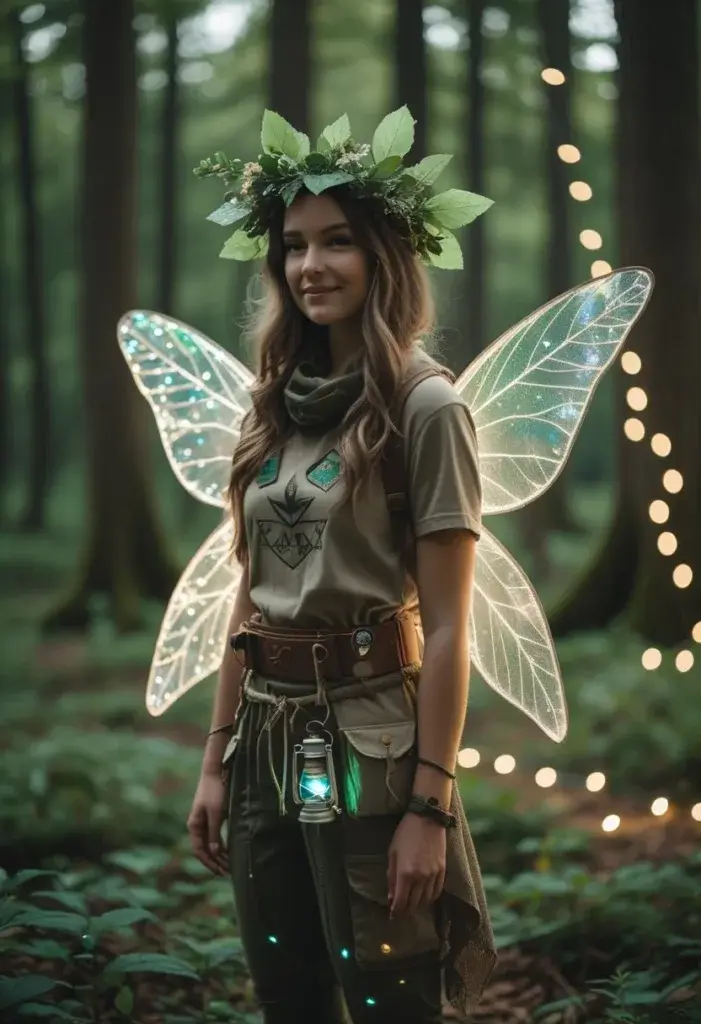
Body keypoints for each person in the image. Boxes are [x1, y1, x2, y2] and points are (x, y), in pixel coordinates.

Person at [186, 109, 497, 1024]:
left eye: (337, 243)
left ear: (384, 259)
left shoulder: (426, 408)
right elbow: (248, 592)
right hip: (260, 747)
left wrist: (428, 808)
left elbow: (445, 625)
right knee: (288, 993)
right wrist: (215, 759)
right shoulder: (270, 406)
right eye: (292, 246)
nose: (310, 265)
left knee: (389, 993)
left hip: (370, 743)